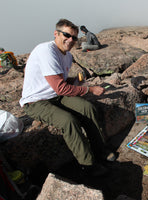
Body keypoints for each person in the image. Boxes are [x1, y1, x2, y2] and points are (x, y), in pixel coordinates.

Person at [19, 19, 115, 177]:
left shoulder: (68, 56)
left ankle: (100, 150)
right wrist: (89, 89)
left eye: (74, 38)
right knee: (68, 121)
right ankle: (88, 165)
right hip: (36, 101)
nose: (70, 40)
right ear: (56, 34)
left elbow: (60, 82)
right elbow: (60, 87)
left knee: (88, 109)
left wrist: (75, 81)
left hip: (56, 95)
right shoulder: (46, 50)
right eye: (67, 35)